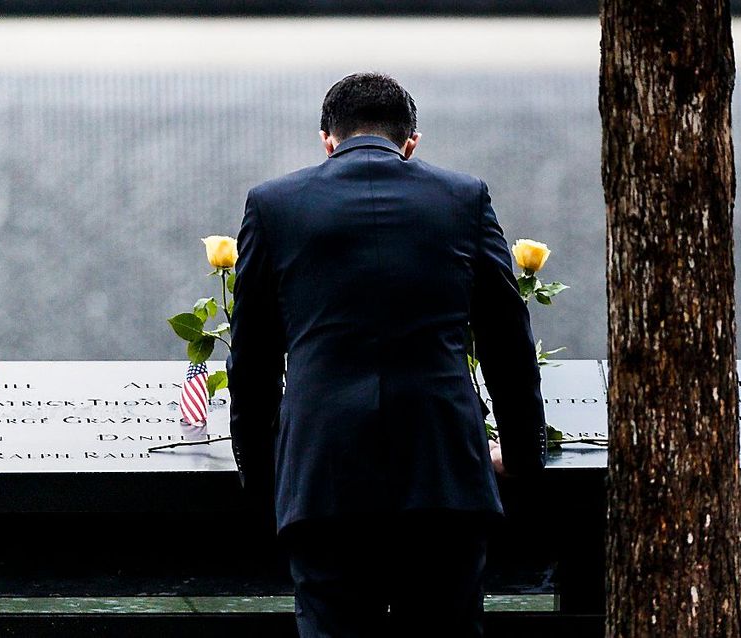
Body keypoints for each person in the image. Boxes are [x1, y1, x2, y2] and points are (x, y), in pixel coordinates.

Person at [226, 71, 546, 637]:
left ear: (328, 141)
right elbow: (507, 345)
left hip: (324, 485)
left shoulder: (273, 206)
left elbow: (252, 362)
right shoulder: (463, 198)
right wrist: (521, 461)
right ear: (411, 143)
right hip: (444, 479)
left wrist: (267, 480)